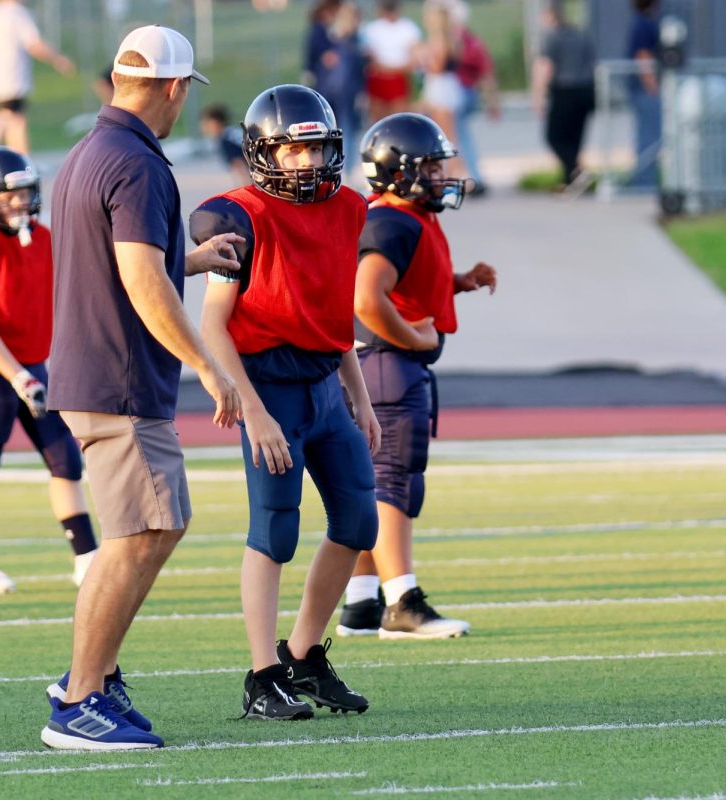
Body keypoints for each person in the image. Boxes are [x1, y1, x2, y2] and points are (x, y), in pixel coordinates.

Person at [42, 25, 243, 750]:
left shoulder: (89, 152)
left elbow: (128, 260)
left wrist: (189, 258)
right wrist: (207, 363)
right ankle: (79, 695)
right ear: (174, 88)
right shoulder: (139, 163)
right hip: (119, 377)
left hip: (94, 371)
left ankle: (92, 680)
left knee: (150, 528)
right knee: (139, 534)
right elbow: (136, 277)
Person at [193, 84, 380, 721]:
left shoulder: (349, 208)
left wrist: (360, 397)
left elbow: (333, 312)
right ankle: (260, 674)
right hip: (268, 386)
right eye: (295, 151)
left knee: (358, 522)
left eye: (319, 149)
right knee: (275, 530)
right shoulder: (237, 215)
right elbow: (214, 324)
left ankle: (302, 655)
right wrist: (253, 409)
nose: (309, 163)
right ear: (263, 152)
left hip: (325, 385)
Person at [337, 112, 496, 640]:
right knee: (393, 481)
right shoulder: (392, 221)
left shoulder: (404, 218)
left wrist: (458, 283)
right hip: (387, 363)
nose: (440, 175)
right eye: (428, 167)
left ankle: (360, 600)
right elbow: (367, 296)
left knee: (375, 480)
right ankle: (401, 600)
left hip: (380, 364)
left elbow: (408, 280)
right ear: (398, 171)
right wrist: (412, 337)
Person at [0, 147, 98, 595]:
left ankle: (87, 558)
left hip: (33, 365)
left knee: (65, 460)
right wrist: (18, 377)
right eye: (11, 196)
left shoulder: (43, 238)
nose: (21, 203)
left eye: (26, 193)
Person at [0, 0, 76, 155]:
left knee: (14, 121)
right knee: (9, 118)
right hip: (13, 77)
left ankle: (18, 162)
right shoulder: (18, 13)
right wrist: (58, 59)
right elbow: (34, 44)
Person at [531, 1, 596, 192]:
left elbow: (545, 68)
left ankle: (576, 171)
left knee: (554, 137)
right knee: (574, 138)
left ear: (549, 16)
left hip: (564, 91)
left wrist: (538, 98)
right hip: (585, 90)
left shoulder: (552, 37)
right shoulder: (581, 35)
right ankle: (571, 179)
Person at [451, 0, 501, 196]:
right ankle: (473, 175)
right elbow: (487, 74)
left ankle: (472, 176)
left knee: (458, 137)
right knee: (461, 136)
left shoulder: (455, 41)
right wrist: (492, 101)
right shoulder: (474, 42)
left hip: (458, 92)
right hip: (469, 91)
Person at [313, 1, 365, 180]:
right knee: (343, 130)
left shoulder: (336, 38)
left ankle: (339, 168)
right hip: (343, 92)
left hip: (335, 91)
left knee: (337, 130)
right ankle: (342, 169)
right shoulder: (347, 41)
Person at [416, 0, 462, 170]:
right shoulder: (450, 38)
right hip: (443, 86)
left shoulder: (441, 40)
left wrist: (422, 58)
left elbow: (437, 67)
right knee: (445, 134)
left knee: (447, 135)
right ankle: (453, 170)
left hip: (441, 87)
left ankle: (456, 170)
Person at [362, 0, 421, 122]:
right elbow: (370, 59)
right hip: (379, 80)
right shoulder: (372, 29)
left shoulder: (408, 28)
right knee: (378, 120)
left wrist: (389, 69)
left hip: (399, 79)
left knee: (399, 120)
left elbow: (414, 59)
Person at [627, 0, 662, 188]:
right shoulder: (644, 24)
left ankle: (645, 181)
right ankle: (644, 184)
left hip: (643, 89)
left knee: (649, 136)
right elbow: (643, 58)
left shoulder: (643, 22)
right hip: (646, 90)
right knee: (650, 138)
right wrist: (654, 88)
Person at [198, 104, 249, 188]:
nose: (204, 127)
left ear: (215, 122)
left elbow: (240, 166)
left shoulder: (225, 140)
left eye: (206, 123)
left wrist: (244, 190)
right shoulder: (230, 133)